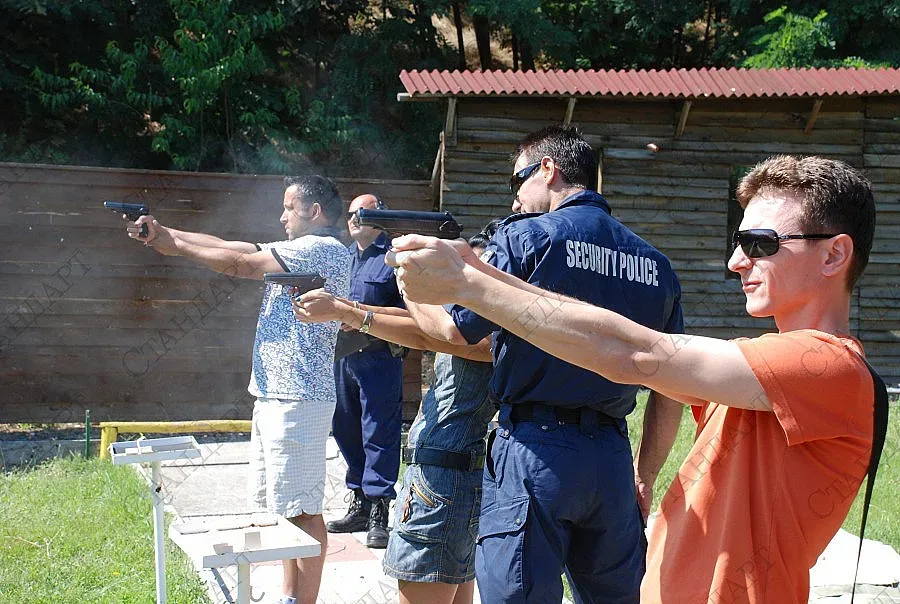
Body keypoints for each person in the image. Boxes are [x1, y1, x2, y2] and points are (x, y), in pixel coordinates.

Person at [386, 154, 878, 603]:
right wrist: (482, 272)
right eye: (738, 243)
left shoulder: (825, 367)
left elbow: (636, 354)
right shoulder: (770, 370)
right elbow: (632, 354)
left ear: (834, 255)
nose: (735, 262)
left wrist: (469, 285)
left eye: (759, 244)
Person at [396, 125, 685, 603]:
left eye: (517, 182)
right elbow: (671, 385)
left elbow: (453, 331)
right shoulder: (657, 265)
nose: (514, 202)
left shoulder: (525, 239)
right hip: (611, 456)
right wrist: (645, 473)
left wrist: (410, 288)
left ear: (549, 170)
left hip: (535, 452)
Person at [124, 176, 351, 604]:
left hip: (299, 396)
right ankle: (289, 595)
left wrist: (178, 246)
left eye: (289, 208)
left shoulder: (323, 249)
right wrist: (167, 235)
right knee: (287, 509)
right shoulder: (300, 250)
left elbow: (243, 265)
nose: (281, 216)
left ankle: (304, 601)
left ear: (314, 212)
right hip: (278, 394)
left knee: (305, 509)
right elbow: (242, 249)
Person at [293, 222, 501, 604]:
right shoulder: (491, 323)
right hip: (457, 471)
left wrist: (406, 279)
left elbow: (435, 333)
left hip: (444, 474)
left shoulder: (479, 334)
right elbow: (422, 327)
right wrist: (350, 310)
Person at [326, 193, 406, 549]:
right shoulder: (342, 258)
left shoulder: (393, 259)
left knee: (379, 432)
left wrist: (362, 315)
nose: (354, 218)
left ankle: (379, 510)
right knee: (344, 427)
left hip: (378, 357)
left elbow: (411, 314)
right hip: (343, 358)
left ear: (379, 215)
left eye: (363, 212)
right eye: (351, 213)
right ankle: (359, 501)